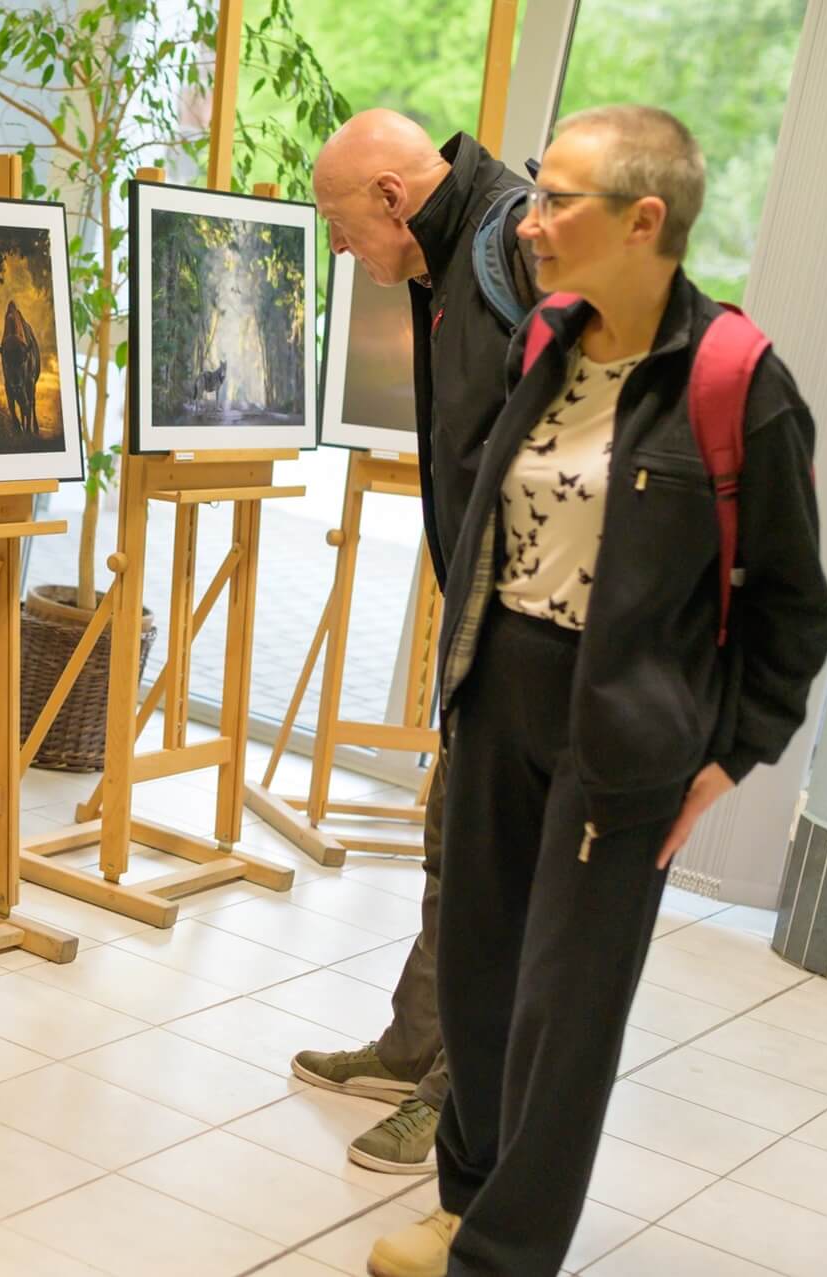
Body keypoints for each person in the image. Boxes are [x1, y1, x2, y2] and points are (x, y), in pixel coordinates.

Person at [368, 105, 827, 1277]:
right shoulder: (546, 340)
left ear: (643, 220)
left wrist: (728, 753)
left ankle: (505, 1253)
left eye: (558, 200)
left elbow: (792, 610)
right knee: (479, 973)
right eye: (536, 195)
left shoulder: (739, 383)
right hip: (500, 694)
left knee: (561, 1013)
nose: (529, 222)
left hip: (623, 732)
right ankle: (465, 1201)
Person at [297, 111, 536, 1176]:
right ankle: (413, 1045)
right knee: (452, 836)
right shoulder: (448, 254)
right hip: (484, 607)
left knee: (493, 867)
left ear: (392, 198)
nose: (340, 248)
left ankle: (453, 1096)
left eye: (341, 225)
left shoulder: (513, 243)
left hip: (531, 623)